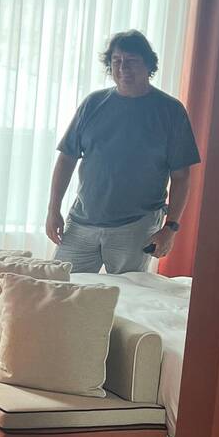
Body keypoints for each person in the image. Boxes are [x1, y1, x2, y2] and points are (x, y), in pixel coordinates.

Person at [46, 29, 200, 273]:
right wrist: (53, 210)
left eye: (131, 61)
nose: (123, 68)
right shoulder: (93, 104)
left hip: (136, 226)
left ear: (148, 65)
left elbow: (181, 177)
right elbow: (66, 158)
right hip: (82, 221)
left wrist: (170, 228)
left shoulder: (170, 111)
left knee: (127, 292)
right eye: (116, 61)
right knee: (59, 286)